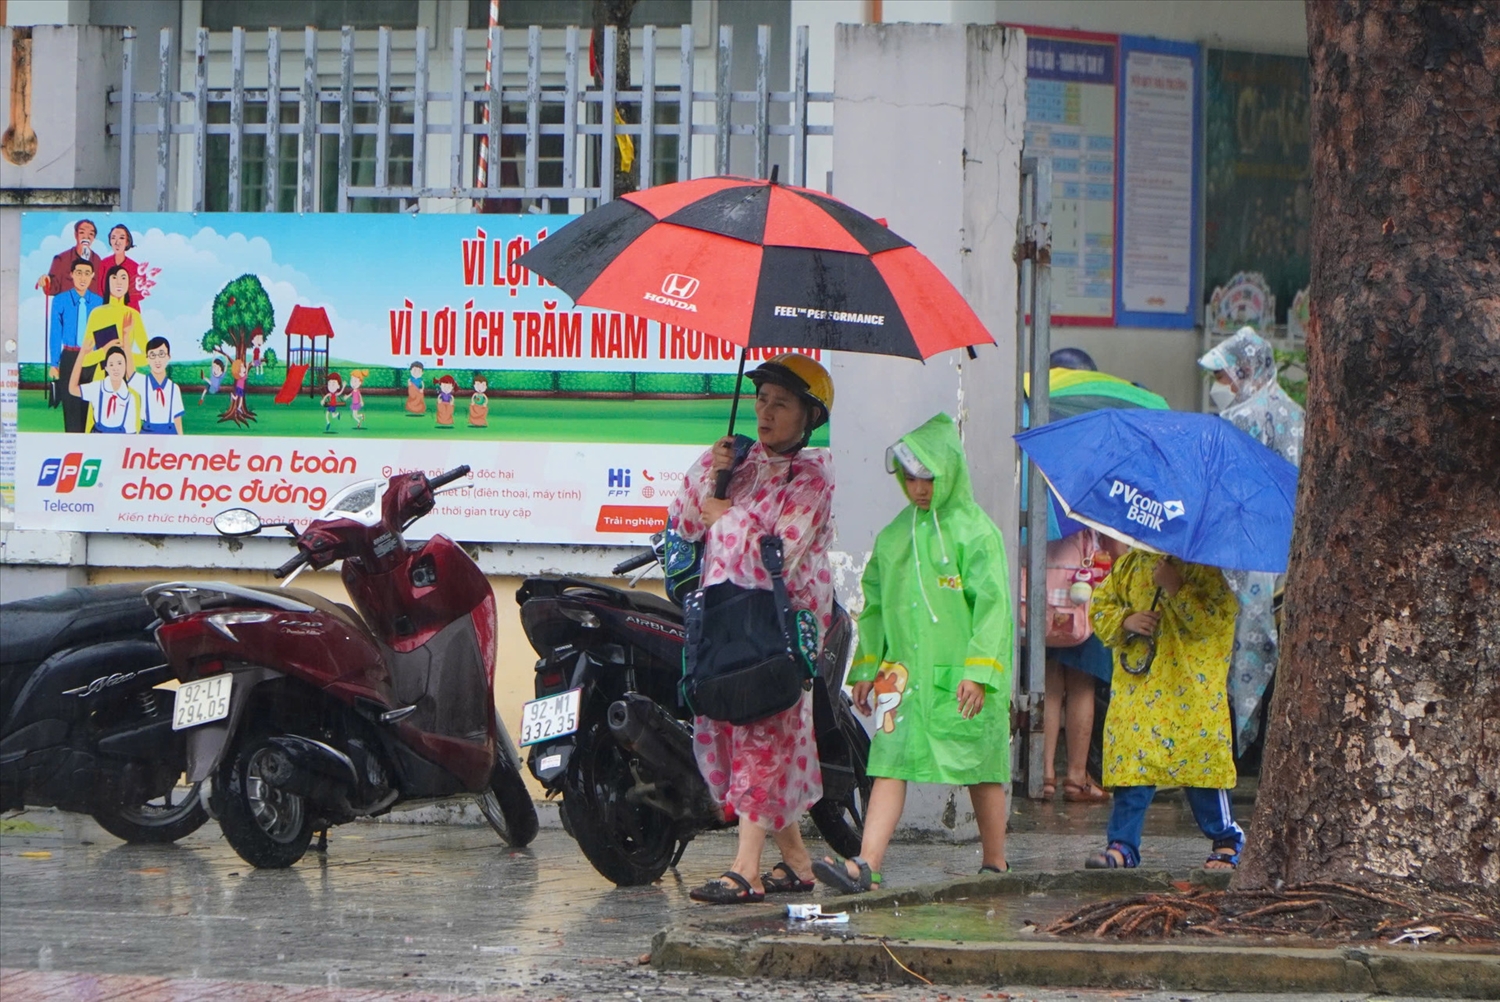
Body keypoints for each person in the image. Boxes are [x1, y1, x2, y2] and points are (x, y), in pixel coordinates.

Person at [814, 413, 1013, 893]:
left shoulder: (976, 534)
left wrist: (980, 673)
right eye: (911, 478)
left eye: (927, 477)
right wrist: (866, 669)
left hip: (960, 681)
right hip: (901, 680)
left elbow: (994, 609)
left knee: (980, 768)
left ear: (948, 473)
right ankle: (866, 864)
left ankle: (995, 863)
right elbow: (875, 607)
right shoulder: (894, 537)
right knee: (889, 764)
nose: (919, 488)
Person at [671, 354, 835, 904]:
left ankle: (746, 867)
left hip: (779, 625)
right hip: (721, 620)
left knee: (763, 729)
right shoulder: (738, 460)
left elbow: (781, 551)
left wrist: (730, 517)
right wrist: (710, 473)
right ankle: (797, 863)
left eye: (781, 404)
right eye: (761, 400)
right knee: (731, 724)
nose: (765, 413)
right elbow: (687, 523)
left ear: (809, 417)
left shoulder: (811, 479)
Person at [1085, 550, 1243, 870]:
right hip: (1139, 693)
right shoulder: (1130, 565)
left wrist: (1176, 588)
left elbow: (1212, 622)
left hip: (1191, 694)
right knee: (1134, 769)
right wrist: (1125, 620)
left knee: (1201, 770)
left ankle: (1226, 838)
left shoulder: (1209, 570)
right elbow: (1100, 607)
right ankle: (1122, 844)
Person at [1198, 327, 1306, 754]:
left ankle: (1232, 746)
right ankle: (1259, 745)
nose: (1218, 387)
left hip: (1244, 553)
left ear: (1243, 371)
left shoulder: (1242, 419)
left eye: (1223, 377)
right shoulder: (1292, 411)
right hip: (1281, 552)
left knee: (1238, 644)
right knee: (1270, 651)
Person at [47, 257, 103, 433]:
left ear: (92, 276)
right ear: (71, 275)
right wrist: (54, 364)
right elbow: (55, 333)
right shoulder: (60, 300)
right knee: (71, 406)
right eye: (78, 273)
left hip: (91, 358)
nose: (82, 277)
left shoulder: (99, 302)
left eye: (87, 273)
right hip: (70, 357)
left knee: (90, 406)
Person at [81, 263, 148, 383]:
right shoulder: (97, 314)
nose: (119, 282)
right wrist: (105, 351)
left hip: (128, 377)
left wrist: (124, 354)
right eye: (114, 278)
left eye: (123, 278)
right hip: (101, 379)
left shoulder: (133, 315)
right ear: (107, 283)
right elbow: (85, 359)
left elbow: (147, 357)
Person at [67, 344, 140, 434]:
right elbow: (72, 389)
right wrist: (82, 353)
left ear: (125, 366)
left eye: (120, 363)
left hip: (119, 442)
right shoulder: (97, 388)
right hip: (97, 441)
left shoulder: (130, 398)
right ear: (106, 368)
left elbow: (131, 433)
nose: (115, 368)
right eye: (111, 364)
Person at [35, 219, 104, 298]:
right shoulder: (61, 259)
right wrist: (46, 281)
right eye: (82, 232)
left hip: (91, 308)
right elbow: (52, 288)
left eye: (91, 234)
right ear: (75, 234)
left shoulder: (97, 260)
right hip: (67, 307)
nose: (86, 237)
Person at [138, 337, 184, 435]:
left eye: (161, 354)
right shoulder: (142, 382)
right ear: (147, 358)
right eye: (152, 355)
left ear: (168, 357)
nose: (157, 360)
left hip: (169, 433)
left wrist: (181, 442)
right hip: (148, 433)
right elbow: (129, 373)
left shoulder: (174, 388)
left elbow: (177, 419)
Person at [102, 224, 149, 304]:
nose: (117, 242)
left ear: (127, 242)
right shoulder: (103, 264)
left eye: (121, 238)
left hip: (130, 310)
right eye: (113, 238)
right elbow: (99, 290)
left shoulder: (136, 268)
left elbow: (140, 293)